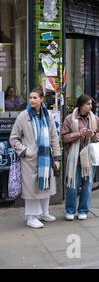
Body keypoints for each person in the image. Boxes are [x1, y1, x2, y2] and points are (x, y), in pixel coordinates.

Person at [9, 87, 61, 228]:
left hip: (46, 158)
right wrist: (25, 151)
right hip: (30, 160)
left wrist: (57, 158)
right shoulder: (23, 116)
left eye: (35, 98)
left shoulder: (48, 116)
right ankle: (31, 217)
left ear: (41, 99)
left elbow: (54, 137)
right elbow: (13, 139)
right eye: (30, 98)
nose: (32, 100)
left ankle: (44, 213)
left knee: (45, 186)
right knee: (32, 189)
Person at [61, 94, 99, 221]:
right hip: (74, 158)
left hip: (89, 158)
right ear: (80, 105)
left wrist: (94, 135)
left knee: (87, 186)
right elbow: (64, 137)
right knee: (72, 185)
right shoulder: (70, 118)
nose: (90, 106)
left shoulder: (95, 119)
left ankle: (83, 210)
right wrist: (78, 134)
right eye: (88, 104)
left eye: (91, 104)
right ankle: (70, 210)